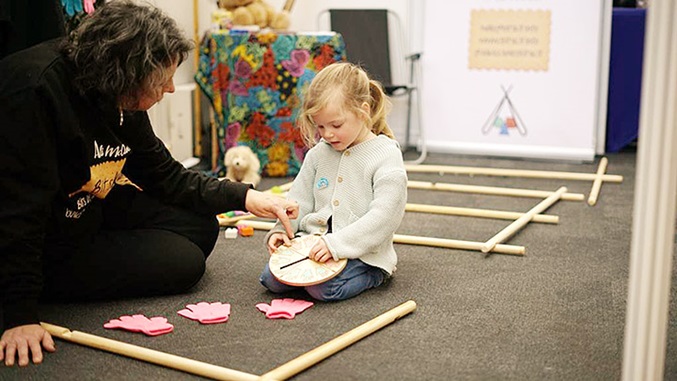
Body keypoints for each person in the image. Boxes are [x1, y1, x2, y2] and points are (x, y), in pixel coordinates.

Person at [0, 1, 298, 367]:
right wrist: (18, 315)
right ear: (126, 73)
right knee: (185, 263)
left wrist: (246, 197)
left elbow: (165, 176)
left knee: (201, 226)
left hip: (88, 208)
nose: (171, 89)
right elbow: (18, 214)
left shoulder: (120, 95)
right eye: (162, 80)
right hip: (43, 236)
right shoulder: (33, 93)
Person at [259, 62, 408, 302]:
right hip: (314, 243)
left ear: (364, 111)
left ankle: (377, 274)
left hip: (362, 252)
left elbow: (385, 216)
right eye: (320, 126)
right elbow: (299, 199)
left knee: (323, 290)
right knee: (270, 280)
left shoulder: (385, 154)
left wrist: (336, 244)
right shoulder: (319, 153)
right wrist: (281, 229)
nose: (327, 134)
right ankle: (313, 277)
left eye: (336, 125)